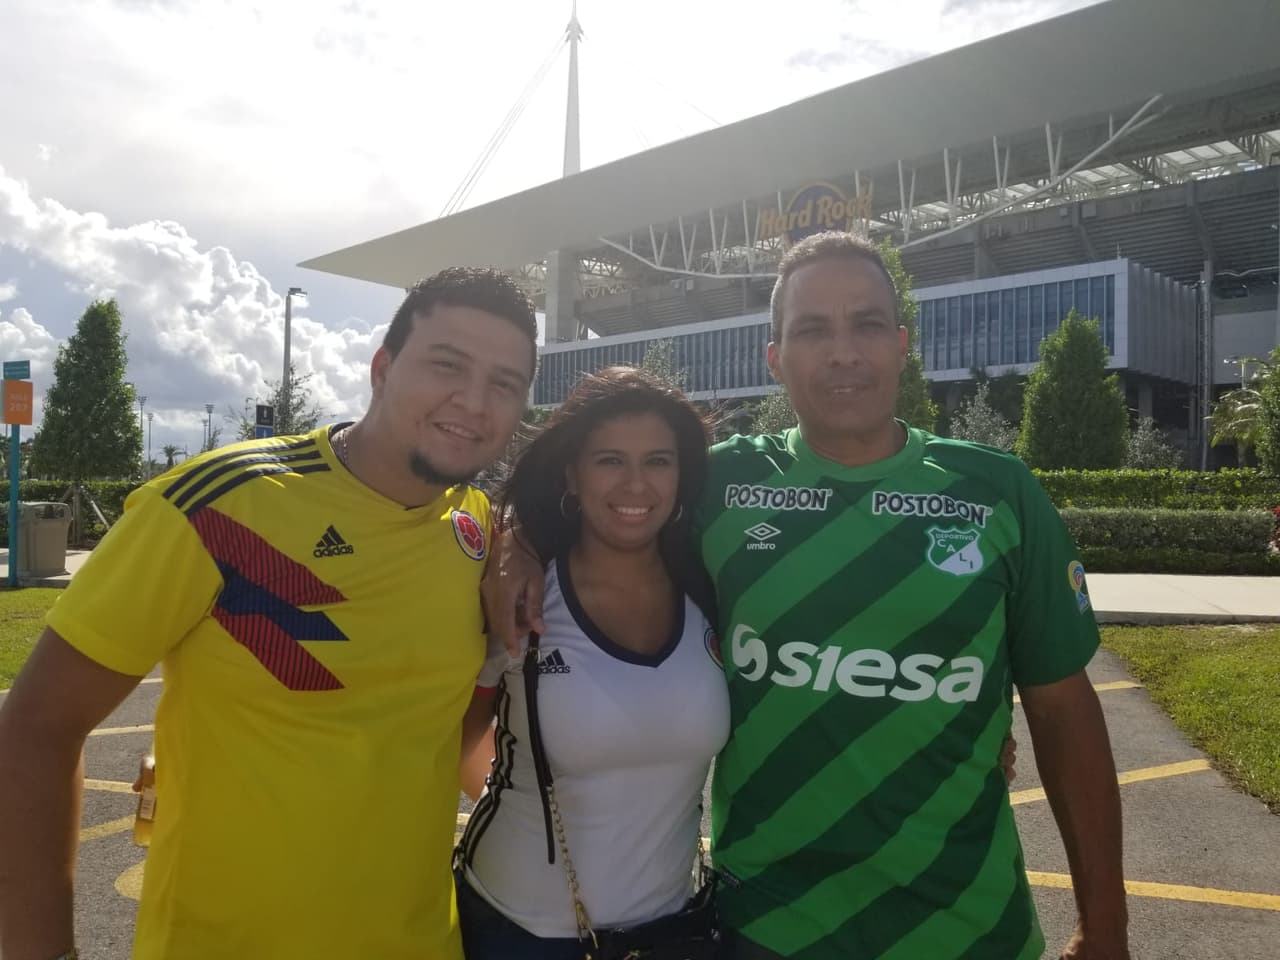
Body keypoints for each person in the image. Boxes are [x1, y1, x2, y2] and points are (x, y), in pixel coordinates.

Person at [486, 232, 1129, 959]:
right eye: (813, 329)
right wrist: (517, 544)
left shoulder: (999, 492)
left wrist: (1104, 928)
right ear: (775, 358)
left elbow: (1065, 712)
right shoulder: (715, 486)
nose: (843, 352)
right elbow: (605, 506)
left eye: (867, 325)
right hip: (765, 928)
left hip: (966, 925)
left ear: (901, 343)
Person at [0, 267, 537, 960]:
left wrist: (518, 545)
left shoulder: (481, 531)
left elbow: (448, 730)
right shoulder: (217, 504)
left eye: (505, 384)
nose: (473, 400)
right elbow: (36, 729)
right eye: (447, 364)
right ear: (382, 368)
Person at [454, 366, 729, 959]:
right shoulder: (520, 596)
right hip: (518, 933)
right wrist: (528, 799)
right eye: (609, 460)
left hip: (674, 931)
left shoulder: (711, 589)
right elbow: (458, 740)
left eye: (659, 461)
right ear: (572, 475)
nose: (636, 485)